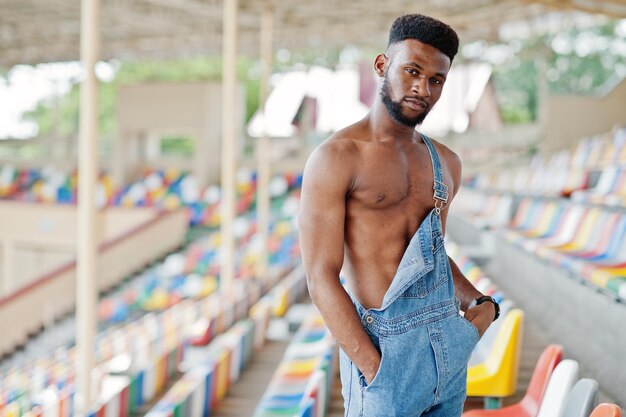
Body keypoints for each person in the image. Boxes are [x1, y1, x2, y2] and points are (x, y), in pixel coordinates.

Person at [298, 13, 500, 417]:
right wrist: (374, 369)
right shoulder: (336, 158)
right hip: (385, 353)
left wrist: (480, 303)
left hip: (448, 344)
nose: (422, 88)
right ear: (381, 66)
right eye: (412, 71)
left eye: (436, 80)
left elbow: (432, 256)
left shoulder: (447, 162)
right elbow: (320, 276)